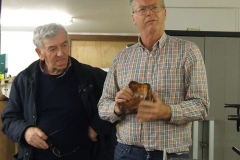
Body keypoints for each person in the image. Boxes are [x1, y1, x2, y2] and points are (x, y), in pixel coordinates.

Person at [98, 0, 210, 160]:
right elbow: (102, 106)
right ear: (133, 18)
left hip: (170, 154)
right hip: (127, 153)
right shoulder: (121, 58)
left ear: (165, 13)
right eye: (142, 9)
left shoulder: (188, 52)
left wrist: (167, 111)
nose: (149, 13)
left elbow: (202, 105)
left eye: (154, 7)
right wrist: (118, 107)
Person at [1, 23, 117, 160]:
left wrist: (98, 125)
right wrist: (25, 131)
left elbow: (117, 104)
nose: (61, 53)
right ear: (40, 53)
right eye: (52, 49)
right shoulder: (24, 80)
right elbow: (9, 120)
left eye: (64, 45)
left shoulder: (91, 77)